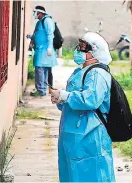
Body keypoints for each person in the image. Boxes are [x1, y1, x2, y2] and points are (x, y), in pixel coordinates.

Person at [49, 32, 115, 182]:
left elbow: (91, 100)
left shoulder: (98, 73)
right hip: (73, 134)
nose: (78, 50)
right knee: (72, 174)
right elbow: (73, 101)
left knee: (92, 173)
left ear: (94, 52)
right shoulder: (79, 72)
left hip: (90, 135)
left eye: (83, 47)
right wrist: (61, 99)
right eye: (79, 46)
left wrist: (65, 96)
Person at [27, 6, 57, 96]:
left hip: (45, 50)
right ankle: (42, 90)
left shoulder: (47, 21)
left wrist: (49, 47)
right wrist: (31, 37)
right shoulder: (40, 22)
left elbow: (50, 34)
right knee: (42, 70)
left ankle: (40, 90)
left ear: (40, 13)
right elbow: (39, 34)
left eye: (35, 12)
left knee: (40, 70)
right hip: (40, 50)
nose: (34, 14)